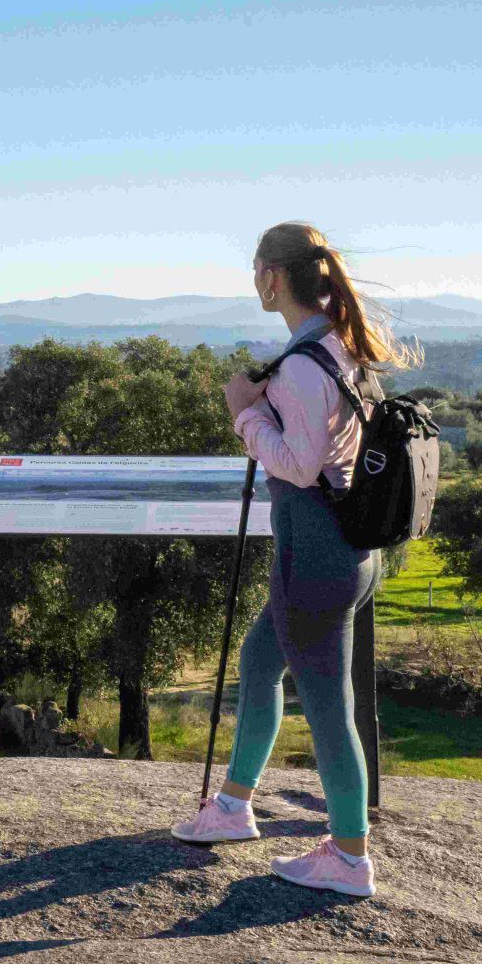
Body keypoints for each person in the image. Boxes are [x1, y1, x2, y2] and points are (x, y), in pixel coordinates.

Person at [170, 221, 417, 899]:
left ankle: (348, 857)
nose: (253, 281)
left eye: (255, 270)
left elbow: (299, 464)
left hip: (315, 558)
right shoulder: (336, 350)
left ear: (274, 278)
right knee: (258, 664)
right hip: (345, 552)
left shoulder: (305, 368)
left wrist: (244, 415)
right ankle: (231, 807)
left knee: (329, 709)